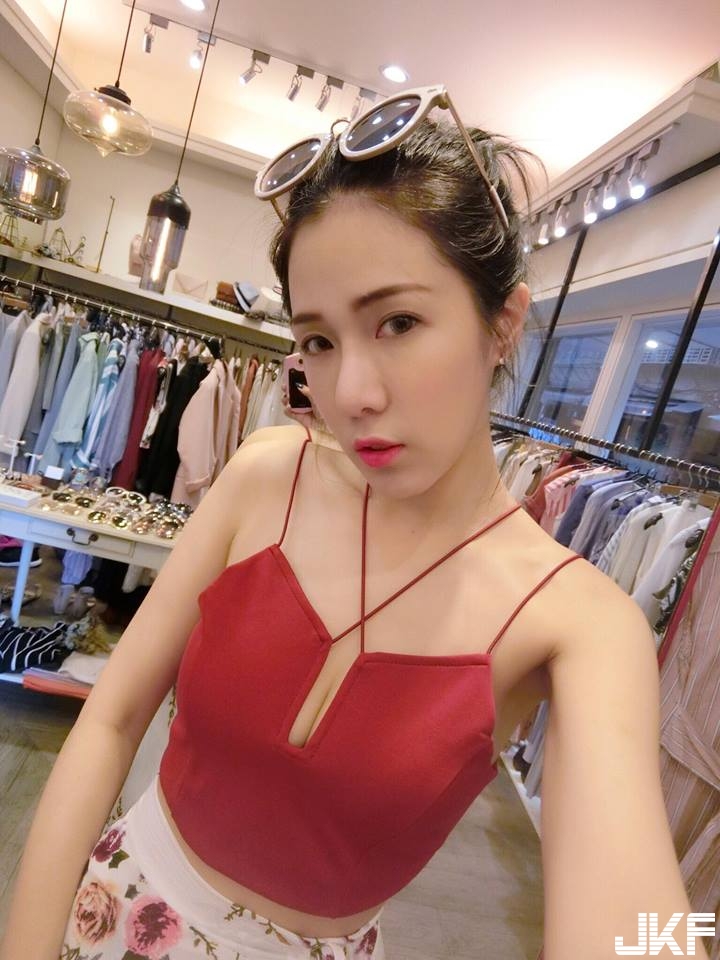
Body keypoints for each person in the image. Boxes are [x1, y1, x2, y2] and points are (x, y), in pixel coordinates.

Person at [0, 89, 707, 960]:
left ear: (502, 325)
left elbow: (636, 922)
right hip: (111, 909)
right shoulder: (267, 477)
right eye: (320, 342)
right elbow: (111, 720)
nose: (353, 394)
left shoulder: (581, 625)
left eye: (398, 323)